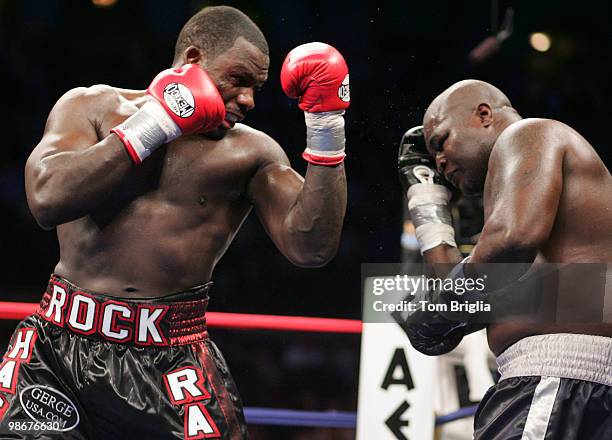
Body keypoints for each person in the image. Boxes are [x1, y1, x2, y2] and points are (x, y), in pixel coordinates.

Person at [0, 6, 349, 439]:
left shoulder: (251, 154)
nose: (249, 100)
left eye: (257, 88)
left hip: (170, 362)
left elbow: (311, 247)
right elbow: (47, 199)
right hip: (55, 352)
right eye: (238, 80)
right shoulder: (91, 106)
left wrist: (326, 126)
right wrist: (156, 123)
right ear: (193, 60)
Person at [398, 79, 612, 439]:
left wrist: (442, 304)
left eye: (442, 141)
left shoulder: (529, 133)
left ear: (484, 115)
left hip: (557, 378)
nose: (439, 159)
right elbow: (456, 301)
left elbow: (514, 239)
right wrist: (427, 198)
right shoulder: (522, 209)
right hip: (574, 384)